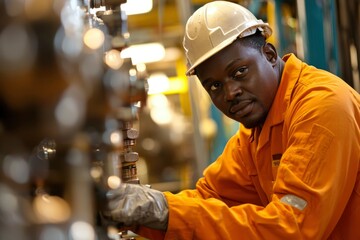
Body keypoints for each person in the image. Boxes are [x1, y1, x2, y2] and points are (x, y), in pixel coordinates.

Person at [102, 1, 360, 239]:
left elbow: (292, 228)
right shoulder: (256, 133)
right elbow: (208, 198)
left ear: (269, 55)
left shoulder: (321, 108)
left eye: (239, 72)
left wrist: (163, 211)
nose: (230, 93)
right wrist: (141, 211)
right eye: (214, 86)